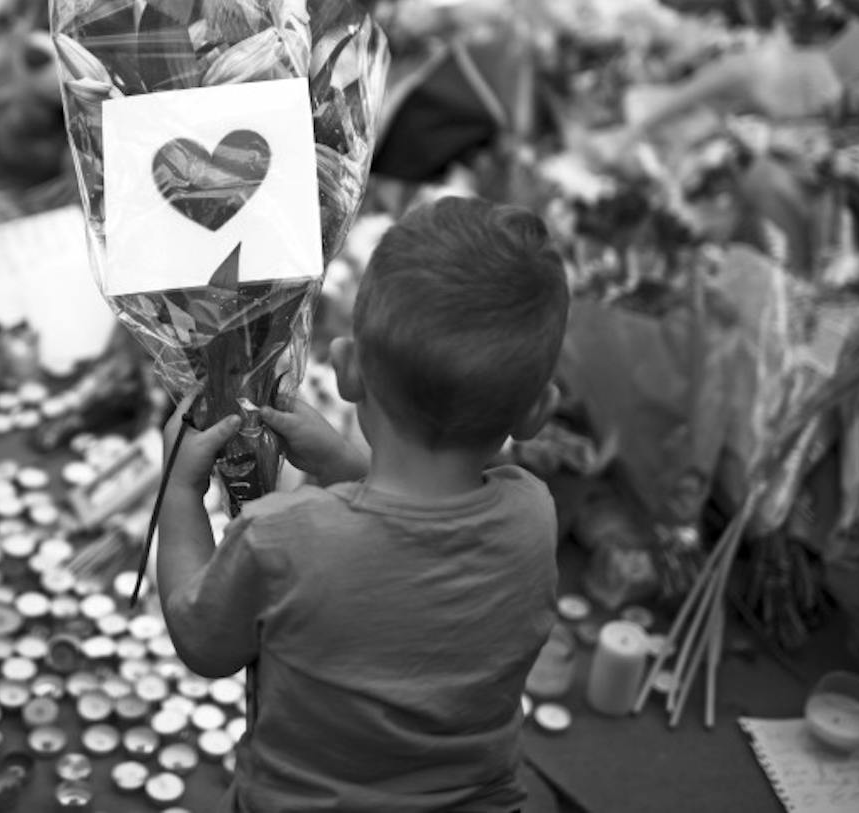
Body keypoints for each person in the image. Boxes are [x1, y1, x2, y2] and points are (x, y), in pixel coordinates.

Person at [156, 198, 569, 812]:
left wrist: (179, 493)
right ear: (538, 412)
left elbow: (201, 639)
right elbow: (410, 544)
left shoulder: (285, 538)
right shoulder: (533, 517)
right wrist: (343, 465)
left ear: (347, 369)